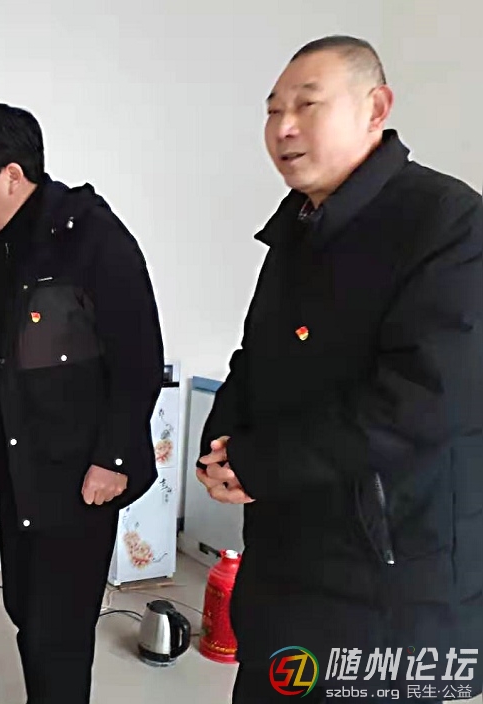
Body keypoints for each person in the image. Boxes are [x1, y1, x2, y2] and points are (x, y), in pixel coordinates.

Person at [196, 36, 483, 703]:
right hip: (288, 558)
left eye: (307, 104)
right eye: (273, 110)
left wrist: (260, 462)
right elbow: (256, 359)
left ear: (375, 108)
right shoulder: (298, 230)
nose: (283, 127)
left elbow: (423, 399)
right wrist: (223, 444)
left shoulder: (447, 222)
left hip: (386, 581)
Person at [0, 103, 165, 704]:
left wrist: (113, 457)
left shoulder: (92, 237)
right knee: (25, 607)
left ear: (11, 175)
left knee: (60, 626)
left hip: (80, 471)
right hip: (16, 462)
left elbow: (139, 356)